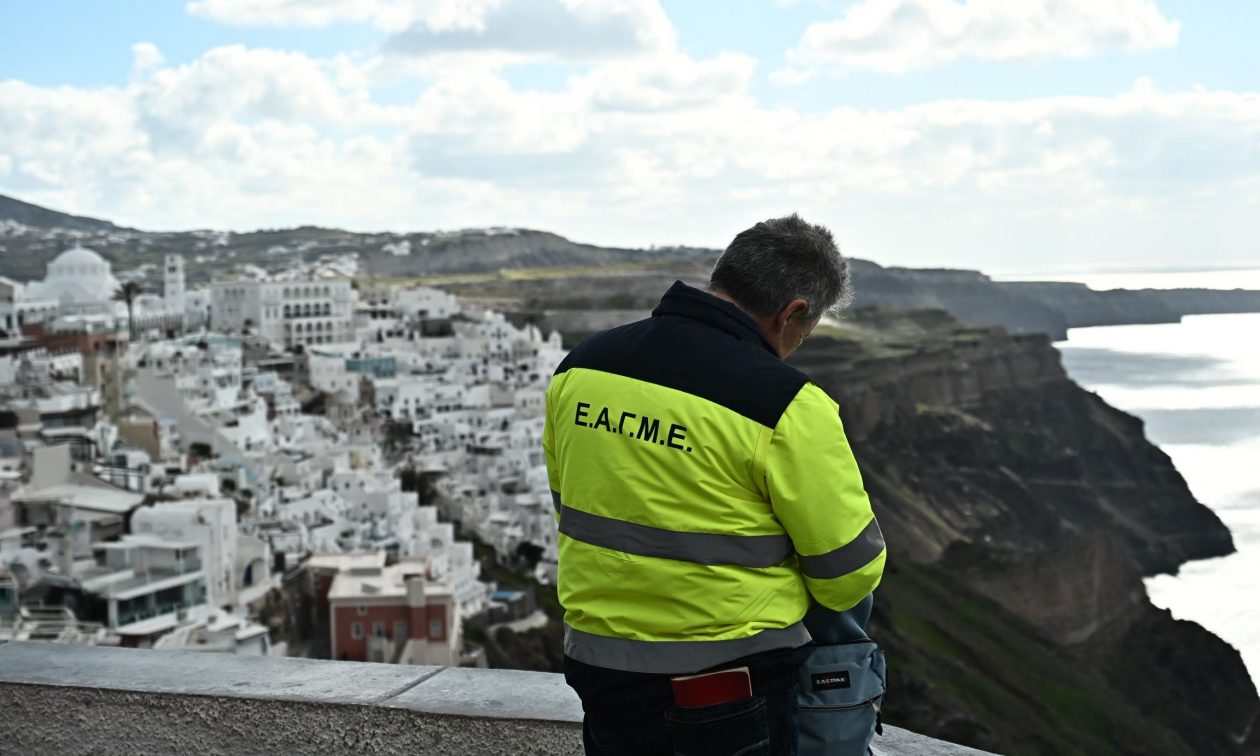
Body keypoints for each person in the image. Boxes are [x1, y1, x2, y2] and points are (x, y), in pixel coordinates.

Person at [543, 213, 886, 755]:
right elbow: (847, 574)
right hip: (726, 687)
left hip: (601, 670)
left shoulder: (582, 367)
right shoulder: (786, 404)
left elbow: (572, 505)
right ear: (792, 312)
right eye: (807, 329)